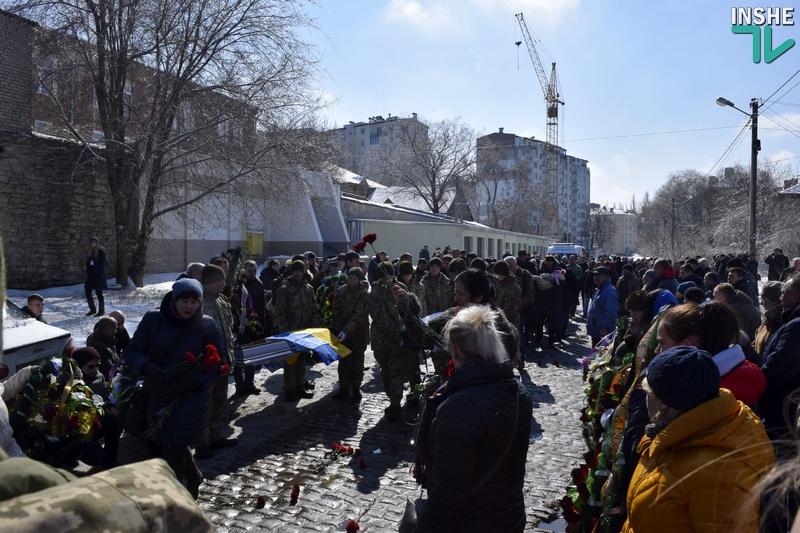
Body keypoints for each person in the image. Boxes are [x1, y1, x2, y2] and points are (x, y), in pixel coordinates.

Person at [621, 346, 774, 533]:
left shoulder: (716, 474)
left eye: (647, 392)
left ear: (665, 403)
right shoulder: (670, 433)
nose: (644, 399)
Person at [415, 306, 533, 533]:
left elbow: (449, 490)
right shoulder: (519, 393)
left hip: (471, 521)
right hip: (508, 515)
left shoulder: (460, 407)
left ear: (456, 350)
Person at [123, 278, 225, 498]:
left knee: (175, 445)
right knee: (164, 444)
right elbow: (132, 352)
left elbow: (219, 360)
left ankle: (181, 500)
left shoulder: (206, 324)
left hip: (191, 397)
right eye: (184, 301)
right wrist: (147, 367)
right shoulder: (153, 320)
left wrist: (199, 382)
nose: (189, 306)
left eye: (193, 302)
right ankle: (193, 477)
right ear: (173, 300)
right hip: (159, 391)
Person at [657, 303, 766, 408]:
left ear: (687, 346)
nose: (657, 351)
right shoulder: (740, 375)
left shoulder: (700, 394)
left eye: (662, 343)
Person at [369, 262, 418, 420]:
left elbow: (410, 308)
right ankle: (393, 398)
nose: (388, 280)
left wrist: (406, 302)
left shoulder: (400, 287)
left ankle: (395, 404)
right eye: (384, 276)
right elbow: (380, 318)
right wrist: (398, 333)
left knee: (396, 370)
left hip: (399, 340)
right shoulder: (375, 293)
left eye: (389, 276)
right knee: (386, 372)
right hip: (383, 339)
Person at [198, 265, 238, 456]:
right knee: (204, 405)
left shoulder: (222, 300)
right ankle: (202, 443)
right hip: (207, 364)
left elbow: (228, 329)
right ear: (207, 282)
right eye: (218, 281)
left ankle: (215, 436)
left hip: (223, 361)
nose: (223, 284)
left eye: (222, 280)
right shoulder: (199, 303)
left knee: (220, 401)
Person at [272, 260, 322, 401]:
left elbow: (314, 308)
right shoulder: (284, 289)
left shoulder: (308, 289)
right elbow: (279, 313)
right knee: (290, 362)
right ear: (291, 271)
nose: (298, 274)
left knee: (302, 361)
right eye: (295, 270)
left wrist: (315, 326)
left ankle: (299, 386)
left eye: (300, 270)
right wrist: (285, 332)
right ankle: (289, 389)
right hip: (290, 333)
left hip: (304, 332)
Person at [760, 275, 800, 446]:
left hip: (783, 407)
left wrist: (757, 382)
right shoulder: (789, 321)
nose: (780, 298)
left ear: (795, 297)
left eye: (783, 293)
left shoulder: (795, 326)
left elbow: (777, 367)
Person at [74, 347, 121, 468]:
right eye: (91, 366)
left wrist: (110, 406)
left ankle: (111, 459)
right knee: (99, 458)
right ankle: (104, 462)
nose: (95, 369)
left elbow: (104, 397)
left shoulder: (99, 377)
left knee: (115, 423)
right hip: (80, 427)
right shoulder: (73, 383)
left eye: (97, 365)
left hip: (97, 419)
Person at [331, 267, 369, 401]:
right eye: (350, 278)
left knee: (358, 362)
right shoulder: (341, 291)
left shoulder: (364, 293)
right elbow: (335, 310)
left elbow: (360, 315)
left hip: (359, 334)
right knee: (344, 363)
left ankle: (356, 388)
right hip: (342, 333)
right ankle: (344, 388)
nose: (351, 281)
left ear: (359, 280)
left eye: (354, 278)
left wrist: (346, 330)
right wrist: (338, 328)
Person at [587, 266, 619, 346]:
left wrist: (605, 328)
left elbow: (611, 312)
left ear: (606, 277)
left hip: (603, 332)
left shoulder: (609, 291)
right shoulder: (600, 289)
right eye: (595, 275)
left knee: (602, 355)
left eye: (599, 275)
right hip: (597, 330)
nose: (595, 277)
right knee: (595, 354)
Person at [754, 281, 784, 358]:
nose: (761, 303)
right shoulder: (768, 319)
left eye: (763, 299)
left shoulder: (781, 322)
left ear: (774, 300)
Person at [84, 236, 108, 316]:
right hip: (91, 276)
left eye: (94, 242)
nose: (93, 244)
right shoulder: (89, 252)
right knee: (87, 291)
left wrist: (95, 267)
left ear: (97, 243)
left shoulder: (101, 252)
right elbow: (88, 263)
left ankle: (101, 311)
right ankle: (92, 309)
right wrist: (89, 270)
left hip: (99, 276)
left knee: (99, 293)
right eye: (92, 242)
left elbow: (102, 264)